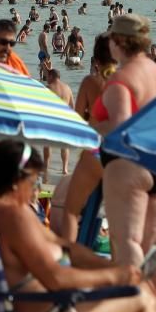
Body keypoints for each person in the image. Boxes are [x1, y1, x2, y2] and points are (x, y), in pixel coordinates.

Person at [0, 141, 156, 312]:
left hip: (38, 311)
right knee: (142, 300)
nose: (34, 190)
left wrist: (115, 268)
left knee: (142, 294)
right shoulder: (14, 217)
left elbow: (66, 248)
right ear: (16, 181)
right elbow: (56, 278)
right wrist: (114, 276)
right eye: (33, 181)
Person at [97, 14, 156, 302]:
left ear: (118, 42)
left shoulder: (122, 79)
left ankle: (133, 308)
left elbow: (122, 131)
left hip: (131, 166)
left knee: (127, 240)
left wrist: (92, 124)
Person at [57, 35, 117, 242]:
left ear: (96, 58)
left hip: (95, 151)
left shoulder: (91, 82)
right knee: (116, 218)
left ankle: (71, 256)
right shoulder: (128, 82)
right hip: (120, 155)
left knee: (72, 211)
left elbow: (77, 118)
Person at [43, 69, 72, 180]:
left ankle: (46, 168)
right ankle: (65, 169)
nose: (47, 79)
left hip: (51, 119)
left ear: (51, 76)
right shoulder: (67, 88)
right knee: (64, 146)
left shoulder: (48, 88)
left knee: (48, 144)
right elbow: (72, 106)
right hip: (64, 119)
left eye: (48, 77)